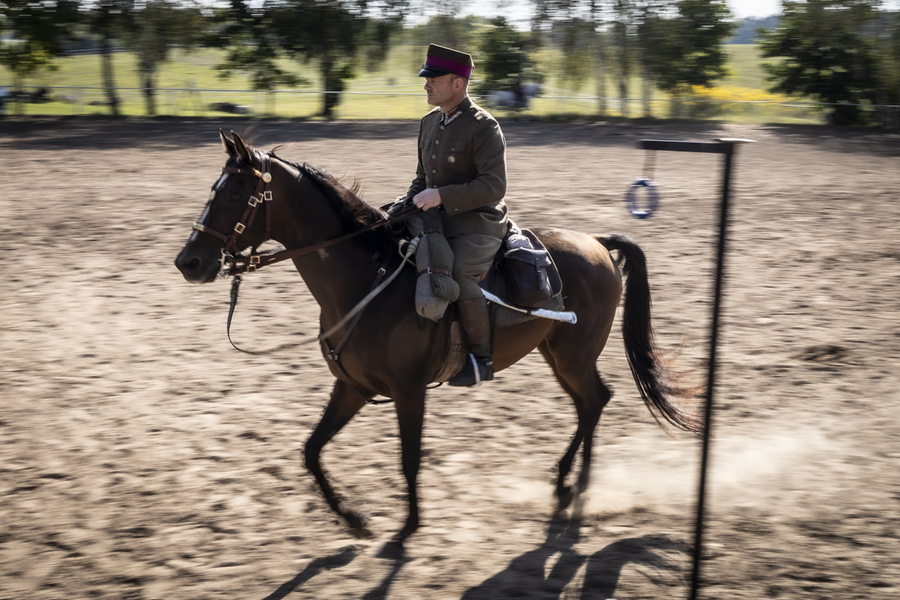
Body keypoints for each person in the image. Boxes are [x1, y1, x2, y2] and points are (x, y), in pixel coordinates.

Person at [403, 44, 509, 387]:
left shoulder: (484, 126)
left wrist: (440, 196)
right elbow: (422, 178)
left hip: (477, 222)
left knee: (460, 272)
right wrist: (407, 201)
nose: (426, 85)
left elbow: (494, 186)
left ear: (457, 84)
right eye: (426, 79)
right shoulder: (429, 122)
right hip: (436, 216)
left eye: (433, 79)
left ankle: (481, 359)